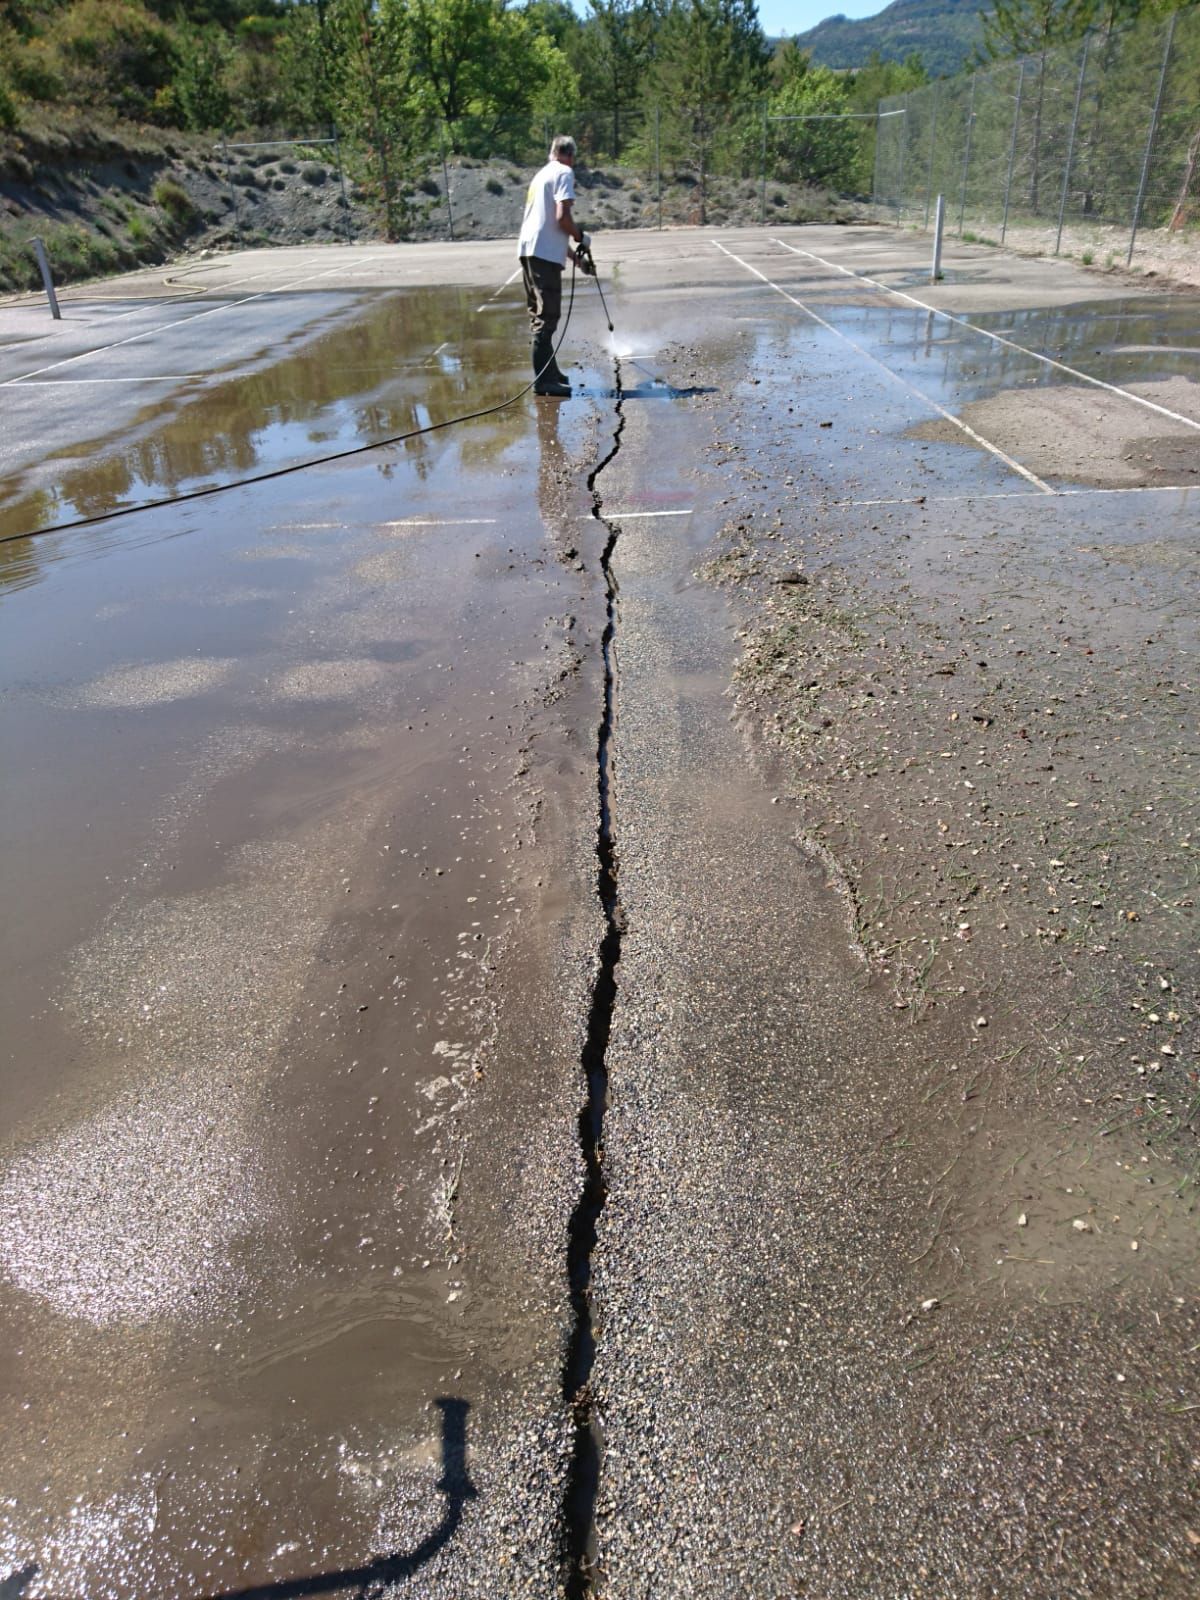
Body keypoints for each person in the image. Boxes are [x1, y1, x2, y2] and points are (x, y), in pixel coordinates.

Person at [518, 135, 592, 399]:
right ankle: (544, 382)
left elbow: (548, 227)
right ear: (569, 155)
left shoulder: (542, 175)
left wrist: (577, 259)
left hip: (530, 251)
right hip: (543, 256)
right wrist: (580, 236)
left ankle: (551, 372)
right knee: (546, 317)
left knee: (541, 314)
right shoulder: (564, 172)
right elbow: (563, 218)